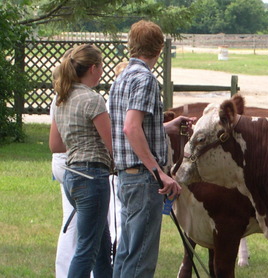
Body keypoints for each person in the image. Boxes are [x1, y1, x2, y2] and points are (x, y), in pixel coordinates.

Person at [109, 20, 193, 278]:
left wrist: (166, 125)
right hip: (144, 179)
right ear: (160, 49)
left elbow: (134, 127)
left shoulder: (121, 78)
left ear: (131, 46)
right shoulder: (145, 80)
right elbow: (131, 129)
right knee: (140, 260)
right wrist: (160, 173)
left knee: (127, 253)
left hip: (127, 175)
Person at [49, 44, 113, 277]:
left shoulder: (61, 99)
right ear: (93, 68)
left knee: (102, 245)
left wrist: (80, 140)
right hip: (92, 178)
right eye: (102, 67)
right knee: (87, 249)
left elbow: (55, 145)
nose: (102, 72)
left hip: (71, 177)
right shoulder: (93, 100)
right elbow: (112, 144)